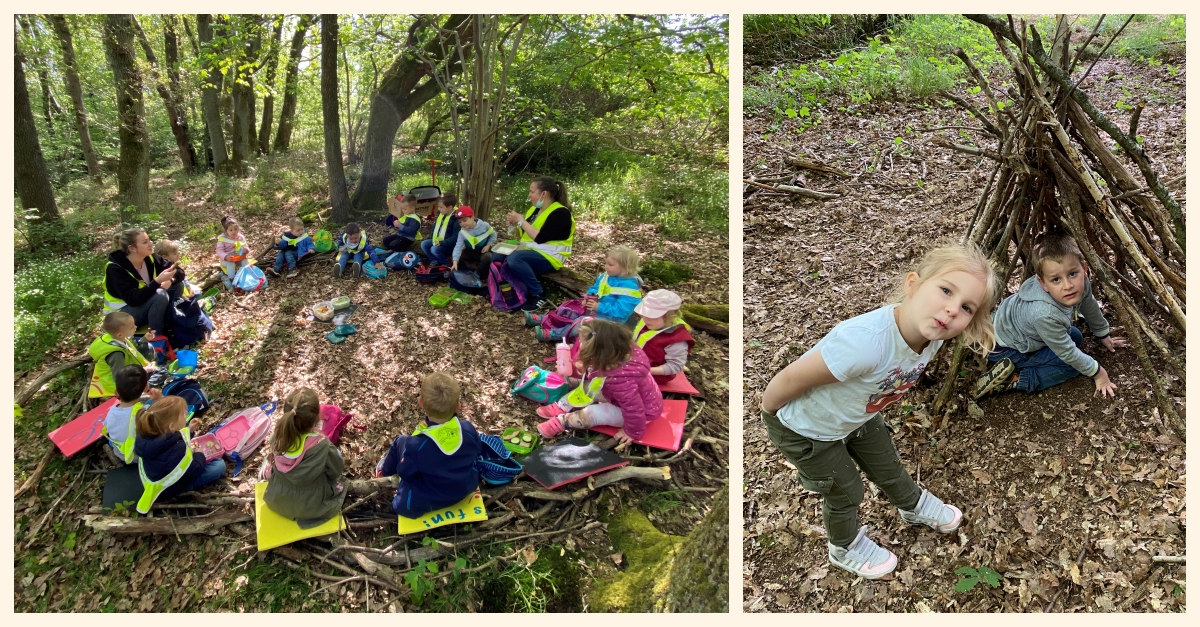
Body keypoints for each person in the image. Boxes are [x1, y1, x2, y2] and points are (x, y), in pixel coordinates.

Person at [758, 243, 1000, 580]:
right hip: (809, 429)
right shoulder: (863, 344)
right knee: (845, 491)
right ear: (913, 284)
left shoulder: (932, 334)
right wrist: (770, 413)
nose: (950, 310)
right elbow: (792, 377)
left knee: (887, 463)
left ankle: (912, 506)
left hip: (858, 415)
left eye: (966, 307)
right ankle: (843, 546)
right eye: (945, 290)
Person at [974, 231, 1127, 401]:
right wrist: (1099, 373)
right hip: (1003, 347)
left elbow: (1088, 304)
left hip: (1013, 329)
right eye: (1056, 280)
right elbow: (1068, 354)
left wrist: (1102, 334)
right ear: (1043, 283)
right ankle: (1016, 380)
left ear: (1084, 269)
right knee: (1071, 366)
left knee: (1075, 336)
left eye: (1072, 274)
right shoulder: (1044, 314)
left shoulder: (1080, 283)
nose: (1068, 285)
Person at [536, 319, 663, 446]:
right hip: (622, 397)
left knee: (592, 413)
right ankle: (562, 406)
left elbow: (634, 408)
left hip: (642, 414)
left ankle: (561, 423)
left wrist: (632, 432)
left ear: (599, 352)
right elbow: (592, 370)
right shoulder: (619, 350)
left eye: (582, 343)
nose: (579, 345)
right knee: (588, 388)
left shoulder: (621, 381)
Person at [376, 372, 483, 517]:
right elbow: (478, 451)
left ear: (420, 402)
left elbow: (405, 473)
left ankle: (383, 474)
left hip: (431, 496)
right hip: (465, 488)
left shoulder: (416, 445)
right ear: (458, 406)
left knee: (400, 441)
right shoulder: (467, 429)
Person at [261, 388, 347, 527]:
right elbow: (336, 471)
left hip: (277, 500)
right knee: (338, 471)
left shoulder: (276, 438)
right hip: (313, 507)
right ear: (317, 418)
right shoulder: (323, 446)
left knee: (270, 460)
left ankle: (268, 471)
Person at [526, 245, 643, 341]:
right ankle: (544, 319)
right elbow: (596, 287)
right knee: (570, 308)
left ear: (625, 268)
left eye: (610, 265)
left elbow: (621, 312)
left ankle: (554, 334)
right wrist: (589, 296)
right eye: (606, 263)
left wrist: (600, 307)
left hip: (610, 322)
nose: (606, 267)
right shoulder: (607, 275)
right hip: (594, 309)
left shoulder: (630, 288)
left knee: (583, 324)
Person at [133, 396, 227, 514]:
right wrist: (199, 455)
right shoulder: (177, 448)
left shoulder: (146, 436)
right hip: (169, 488)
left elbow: (172, 438)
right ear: (172, 426)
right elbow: (193, 470)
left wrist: (189, 430)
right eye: (183, 415)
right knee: (219, 466)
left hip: (152, 477)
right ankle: (174, 496)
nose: (186, 416)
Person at [496, 176, 576, 311]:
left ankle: (538, 294)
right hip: (530, 251)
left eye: (532, 192)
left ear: (543, 194)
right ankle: (509, 291)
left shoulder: (561, 213)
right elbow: (524, 236)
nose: (529, 195)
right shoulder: (534, 210)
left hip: (551, 256)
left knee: (515, 259)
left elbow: (539, 237)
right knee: (497, 255)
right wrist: (514, 224)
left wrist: (521, 221)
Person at [103, 227, 183, 335]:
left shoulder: (151, 258)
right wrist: (158, 281)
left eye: (149, 240)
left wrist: (171, 280)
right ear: (132, 248)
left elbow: (179, 272)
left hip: (143, 303)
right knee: (160, 296)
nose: (150, 244)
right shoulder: (115, 268)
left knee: (177, 285)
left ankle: (172, 325)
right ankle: (157, 340)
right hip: (121, 317)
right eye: (145, 242)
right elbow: (133, 299)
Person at [630, 290, 695, 385]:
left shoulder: (677, 340)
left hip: (653, 374)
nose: (646, 319)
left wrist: (646, 370)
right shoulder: (649, 322)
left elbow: (675, 366)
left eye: (653, 316)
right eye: (645, 314)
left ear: (671, 317)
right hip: (635, 360)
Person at [103, 365, 164, 465]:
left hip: (121, 453)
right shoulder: (144, 412)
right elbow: (170, 412)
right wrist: (160, 398)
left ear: (116, 391)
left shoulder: (112, 411)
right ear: (146, 387)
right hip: (137, 458)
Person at [87, 312, 156, 399]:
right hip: (120, 384)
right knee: (159, 375)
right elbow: (121, 378)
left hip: (129, 367)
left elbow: (131, 349)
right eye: (132, 327)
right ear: (120, 334)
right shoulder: (116, 355)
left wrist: (145, 339)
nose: (136, 327)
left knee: (148, 347)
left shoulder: (117, 338)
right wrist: (144, 370)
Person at [419, 193, 462, 266]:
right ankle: (434, 260)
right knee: (424, 244)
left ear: (450, 207)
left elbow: (456, 237)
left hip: (449, 245)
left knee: (434, 249)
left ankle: (446, 264)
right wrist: (431, 238)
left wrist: (442, 243)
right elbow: (434, 227)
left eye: (441, 207)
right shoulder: (441, 214)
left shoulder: (456, 219)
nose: (438, 209)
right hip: (438, 241)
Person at [450, 207, 497, 273]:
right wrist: (455, 261)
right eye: (460, 222)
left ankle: (478, 274)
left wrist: (488, 245)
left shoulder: (484, 225)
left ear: (472, 217)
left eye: (464, 220)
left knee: (488, 257)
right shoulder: (462, 232)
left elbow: (493, 235)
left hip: (483, 250)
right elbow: (458, 246)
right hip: (470, 251)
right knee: (456, 258)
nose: (462, 224)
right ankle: (467, 272)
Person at [216, 216, 252, 290]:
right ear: (226, 231)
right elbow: (219, 251)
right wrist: (226, 257)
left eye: (236, 229)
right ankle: (232, 279)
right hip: (227, 260)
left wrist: (246, 250)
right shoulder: (222, 239)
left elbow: (246, 246)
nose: (234, 232)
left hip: (239, 257)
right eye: (231, 230)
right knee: (231, 264)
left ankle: (246, 276)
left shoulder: (241, 237)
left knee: (245, 261)